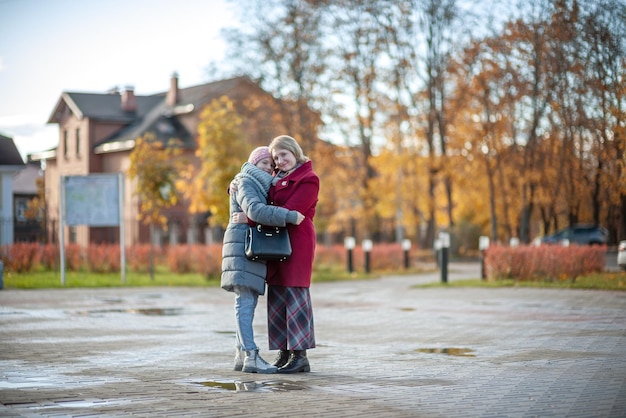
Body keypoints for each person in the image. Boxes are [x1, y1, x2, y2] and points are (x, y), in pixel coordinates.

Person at [221, 146, 304, 374]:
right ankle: (251, 355)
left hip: (248, 248)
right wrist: (289, 216)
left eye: (272, 164)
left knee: (246, 301)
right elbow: (256, 210)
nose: (270, 167)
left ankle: (241, 353)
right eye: (265, 163)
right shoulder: (246, 182)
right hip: (242, 248)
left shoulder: (255, 183)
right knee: (245, 301)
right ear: (253, 163)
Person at [265, 135, 319, 374]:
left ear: (294, 152)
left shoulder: (308, 179)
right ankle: (283, 352)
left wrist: (257, 214)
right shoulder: (274, 178)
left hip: (297, 241)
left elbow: (291, 211)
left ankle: (300, 357)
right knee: (276, 293)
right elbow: (252, 189)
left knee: (295, 293)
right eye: (276, 157)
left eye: (283, 154)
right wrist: (234, 186)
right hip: (275, 242)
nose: (280, 160)